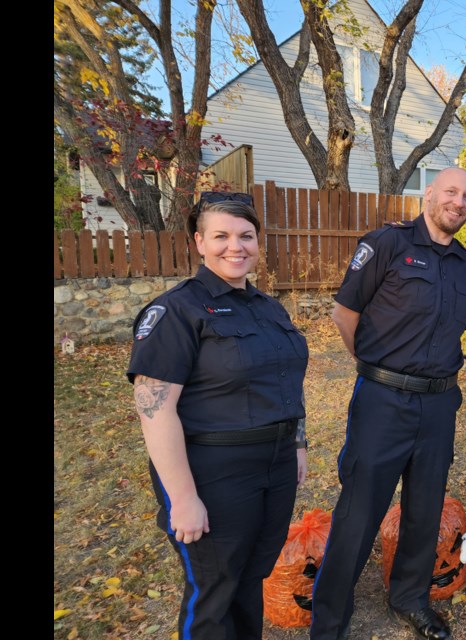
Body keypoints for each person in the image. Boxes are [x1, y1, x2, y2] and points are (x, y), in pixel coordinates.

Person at [127, 192, 310, 640]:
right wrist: (183, 498)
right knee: (215, 588)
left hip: (275, 465)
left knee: (251, 577)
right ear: (199, 242)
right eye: (222, 236)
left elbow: (287, 378)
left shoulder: (269, 308)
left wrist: (298, 443)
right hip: (214, 472)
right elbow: (155, 411)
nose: (236, 246)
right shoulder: (176, 311)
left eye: (246, 236)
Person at [310, 167, 466, 640]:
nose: (458, 202)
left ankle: (409, 598)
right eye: (450, 191)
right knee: (360, 510)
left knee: (424, 512)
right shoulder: (387, 244)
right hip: (383, 401)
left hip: (440, 405)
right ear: (429, 195)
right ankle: (328, 620)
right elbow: (345, 314)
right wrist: (377, 368)